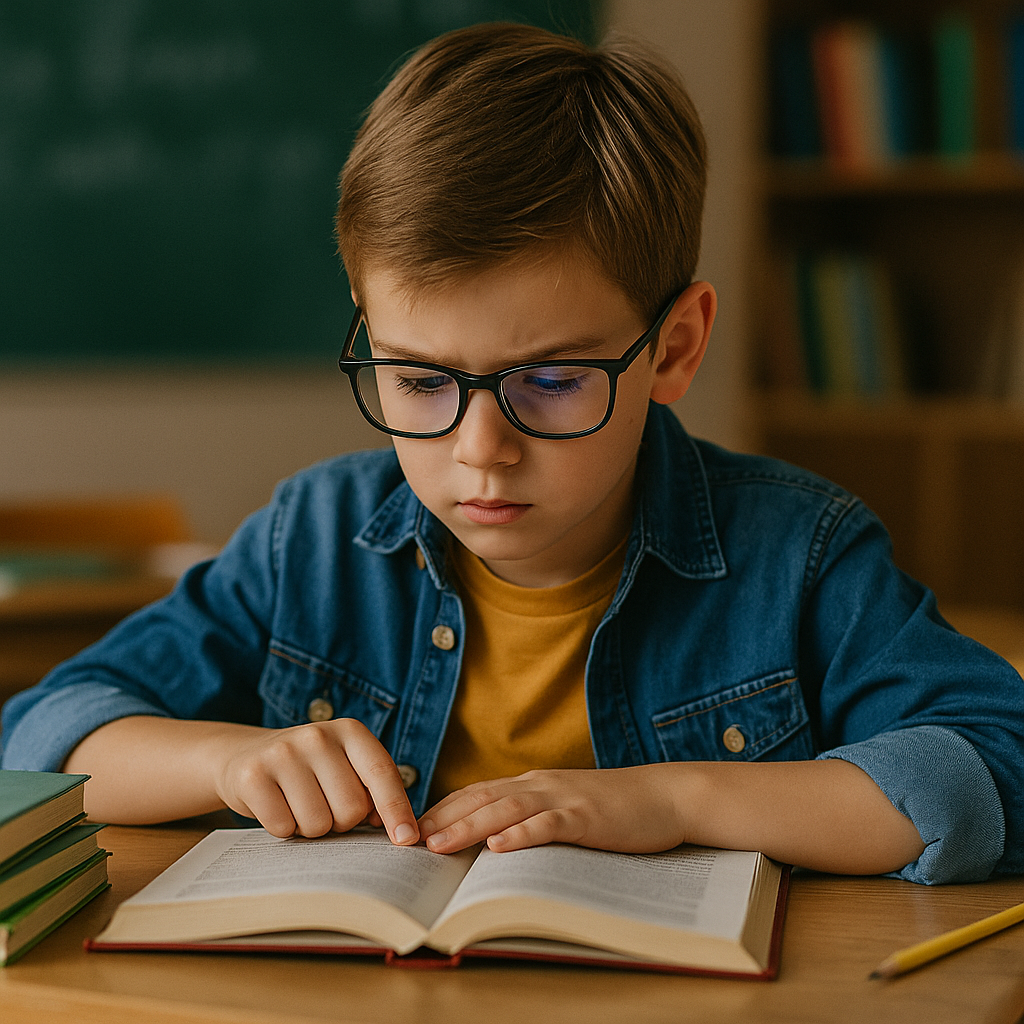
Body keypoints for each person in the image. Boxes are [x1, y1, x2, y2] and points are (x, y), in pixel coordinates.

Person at [3, 23, 1022, 885]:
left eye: (550, 381)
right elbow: (51, 729)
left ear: (673, 348)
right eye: (419, 381)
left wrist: (672, 797)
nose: (479, 451)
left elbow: (990, 766)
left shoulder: (799, 555)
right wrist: (230, 764)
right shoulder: (306, 543)